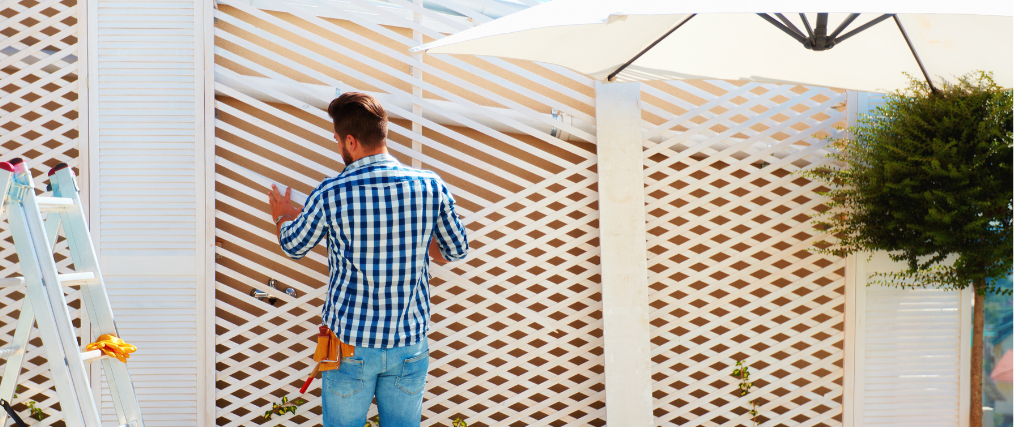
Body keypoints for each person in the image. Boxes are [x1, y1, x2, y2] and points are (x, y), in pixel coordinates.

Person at [267, 92, 469, 427]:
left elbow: (294, 245)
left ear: (350, 140)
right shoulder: (430, 187)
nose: (337, 148)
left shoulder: (331, 193)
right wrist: (417, 237)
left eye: (336, 141)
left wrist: (283, 217)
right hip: (409, 344)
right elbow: (455, 250)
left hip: (350, 348)